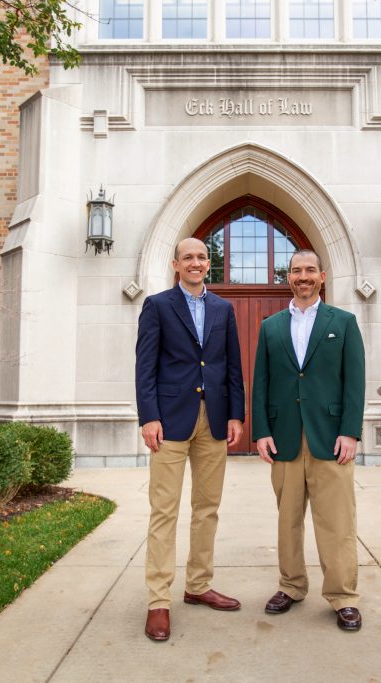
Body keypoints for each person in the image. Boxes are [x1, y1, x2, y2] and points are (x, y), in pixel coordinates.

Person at [135, 237, 245, 642]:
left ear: (208, 263)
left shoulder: (223, 308)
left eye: (201, 257)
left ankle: (198, 586)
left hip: (213, 421)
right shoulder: (158, 306)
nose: (196, 263)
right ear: (175, 264)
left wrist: (236, 413)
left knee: (207, 508)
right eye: (188, 258)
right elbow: (145, 366)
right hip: (170, 422)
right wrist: (149, 417)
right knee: (164, 511)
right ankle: (158, 601)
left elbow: (232, 364)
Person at [251, 248, 366, 632]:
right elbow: (261, 383)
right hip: (284, 438)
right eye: (296, 270)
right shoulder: (271, 327)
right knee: (288, 520)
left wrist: (350, 431)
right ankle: (291, 585)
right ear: (289, 277)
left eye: (310, 270)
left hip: (331, 438)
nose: (303, 276)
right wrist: (261, 431)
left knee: (336, 521)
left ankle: (343, 596)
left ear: (322, 276)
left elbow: (355, 381)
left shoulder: (344, 322)